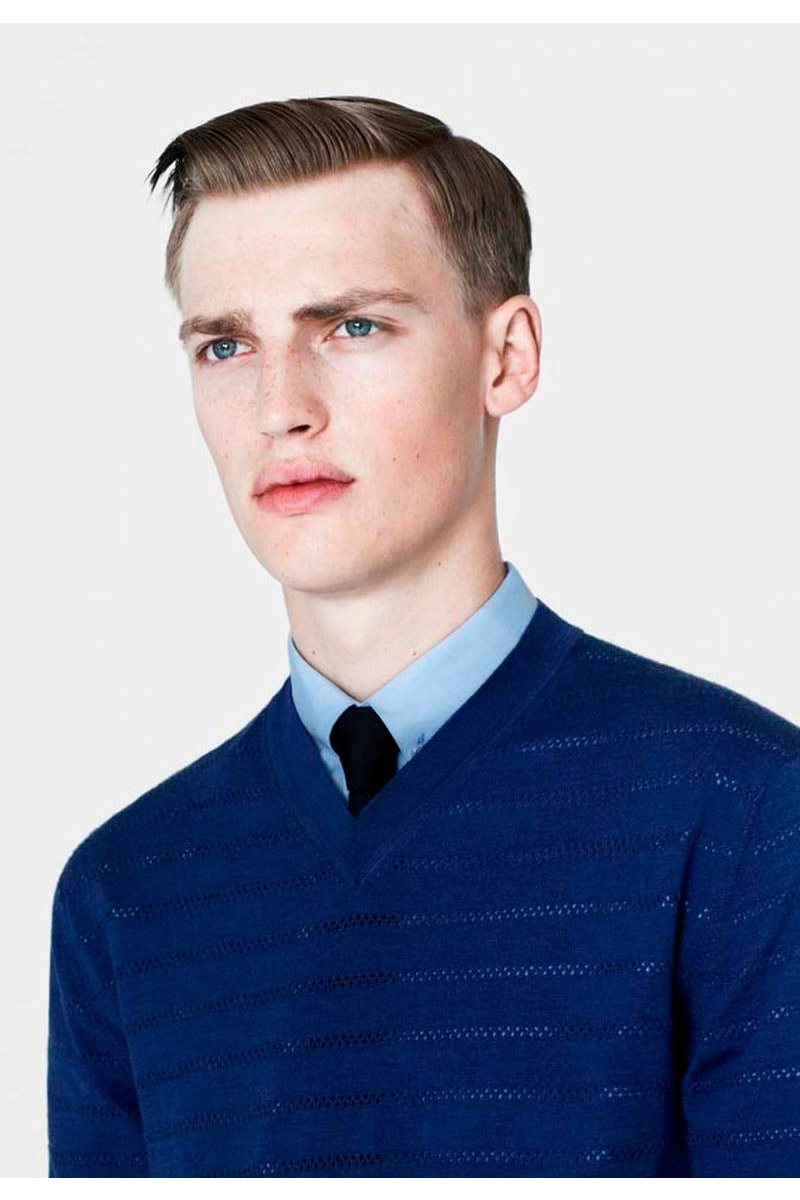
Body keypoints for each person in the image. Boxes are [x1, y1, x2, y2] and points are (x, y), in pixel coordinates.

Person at [47, 94, 800, 1178]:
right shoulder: (126, 891)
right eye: (225, 344)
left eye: (352, 327)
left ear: (507, 357)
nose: (279, 407)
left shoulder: (745, 813)